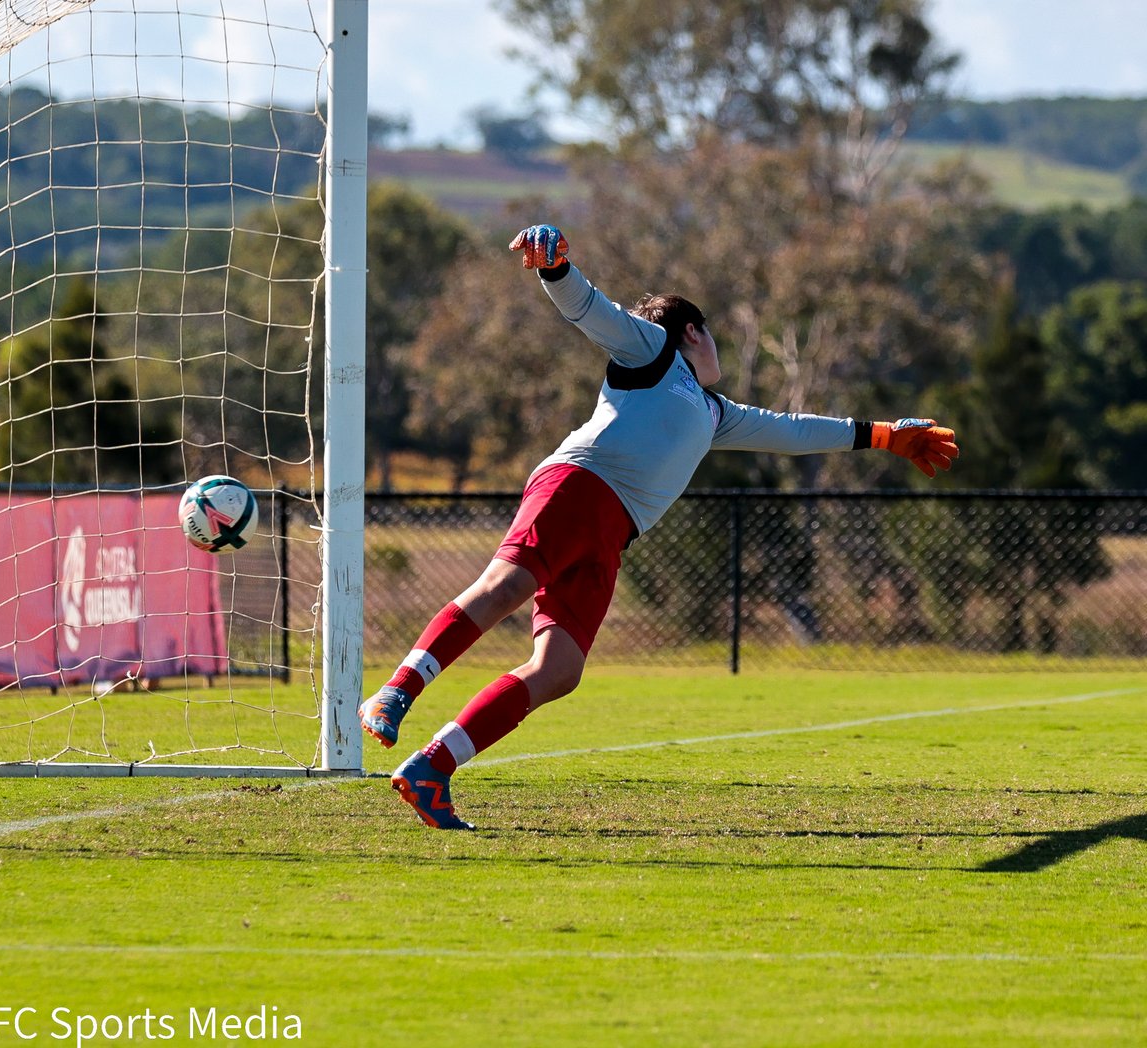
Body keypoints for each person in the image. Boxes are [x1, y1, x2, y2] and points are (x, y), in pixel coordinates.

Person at [360, 223, 959, 830]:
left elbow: (794, 430)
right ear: (693, 331)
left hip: (612, 532)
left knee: (559, 670)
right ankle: (397, 691)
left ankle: (431, 768)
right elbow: (590, 311)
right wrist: (556, 269)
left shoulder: (717, 412)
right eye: (713, 335)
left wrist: (882, 435)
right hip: (578, 485)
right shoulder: (654, 350)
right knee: (504, 587)